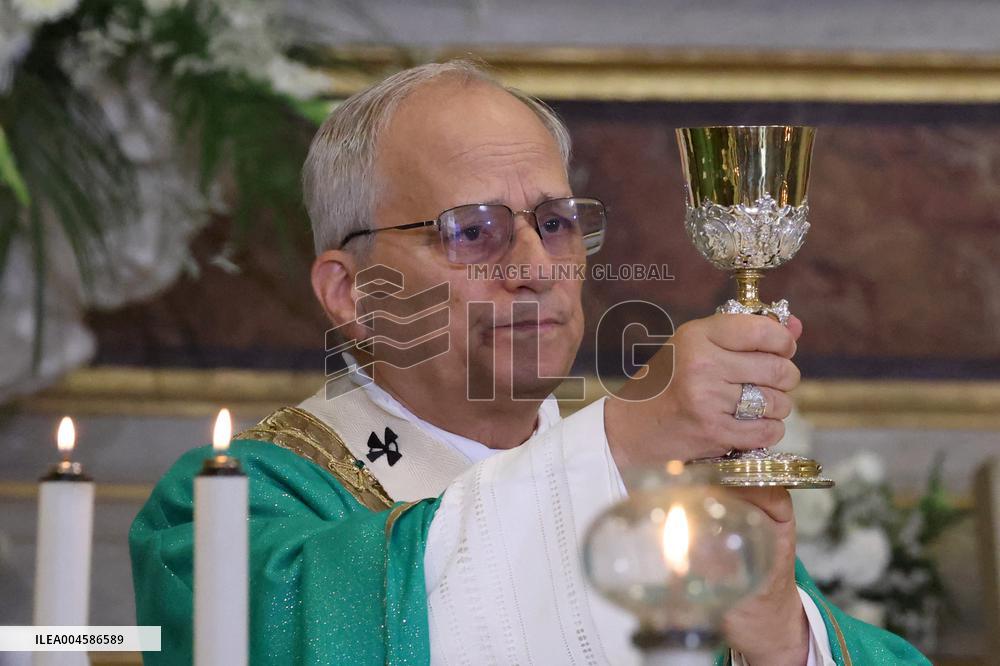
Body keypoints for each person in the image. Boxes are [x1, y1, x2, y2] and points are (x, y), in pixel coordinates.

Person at [130, 60, 928, 665]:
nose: (535, 265)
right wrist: (621, 439)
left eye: (555, 222)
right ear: (351, 292)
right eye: (472, 230)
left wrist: (783, 642)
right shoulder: (233, 506)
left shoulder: (671, 500)